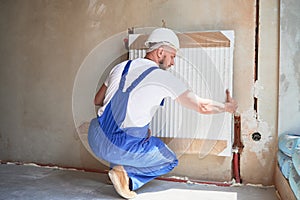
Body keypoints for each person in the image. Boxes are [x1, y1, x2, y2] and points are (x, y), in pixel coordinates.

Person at [88, 27, 238, 199]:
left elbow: (97, 100)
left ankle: (116, 168)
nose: (173, 62)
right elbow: (201, 106)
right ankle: (127, 178)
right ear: (160, 52)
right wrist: (226, 107)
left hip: (96, 139)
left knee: (138, 133)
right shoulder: (162, 78)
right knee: (169, 160)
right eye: (172, 56)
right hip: (120, 148)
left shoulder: (120, 67)